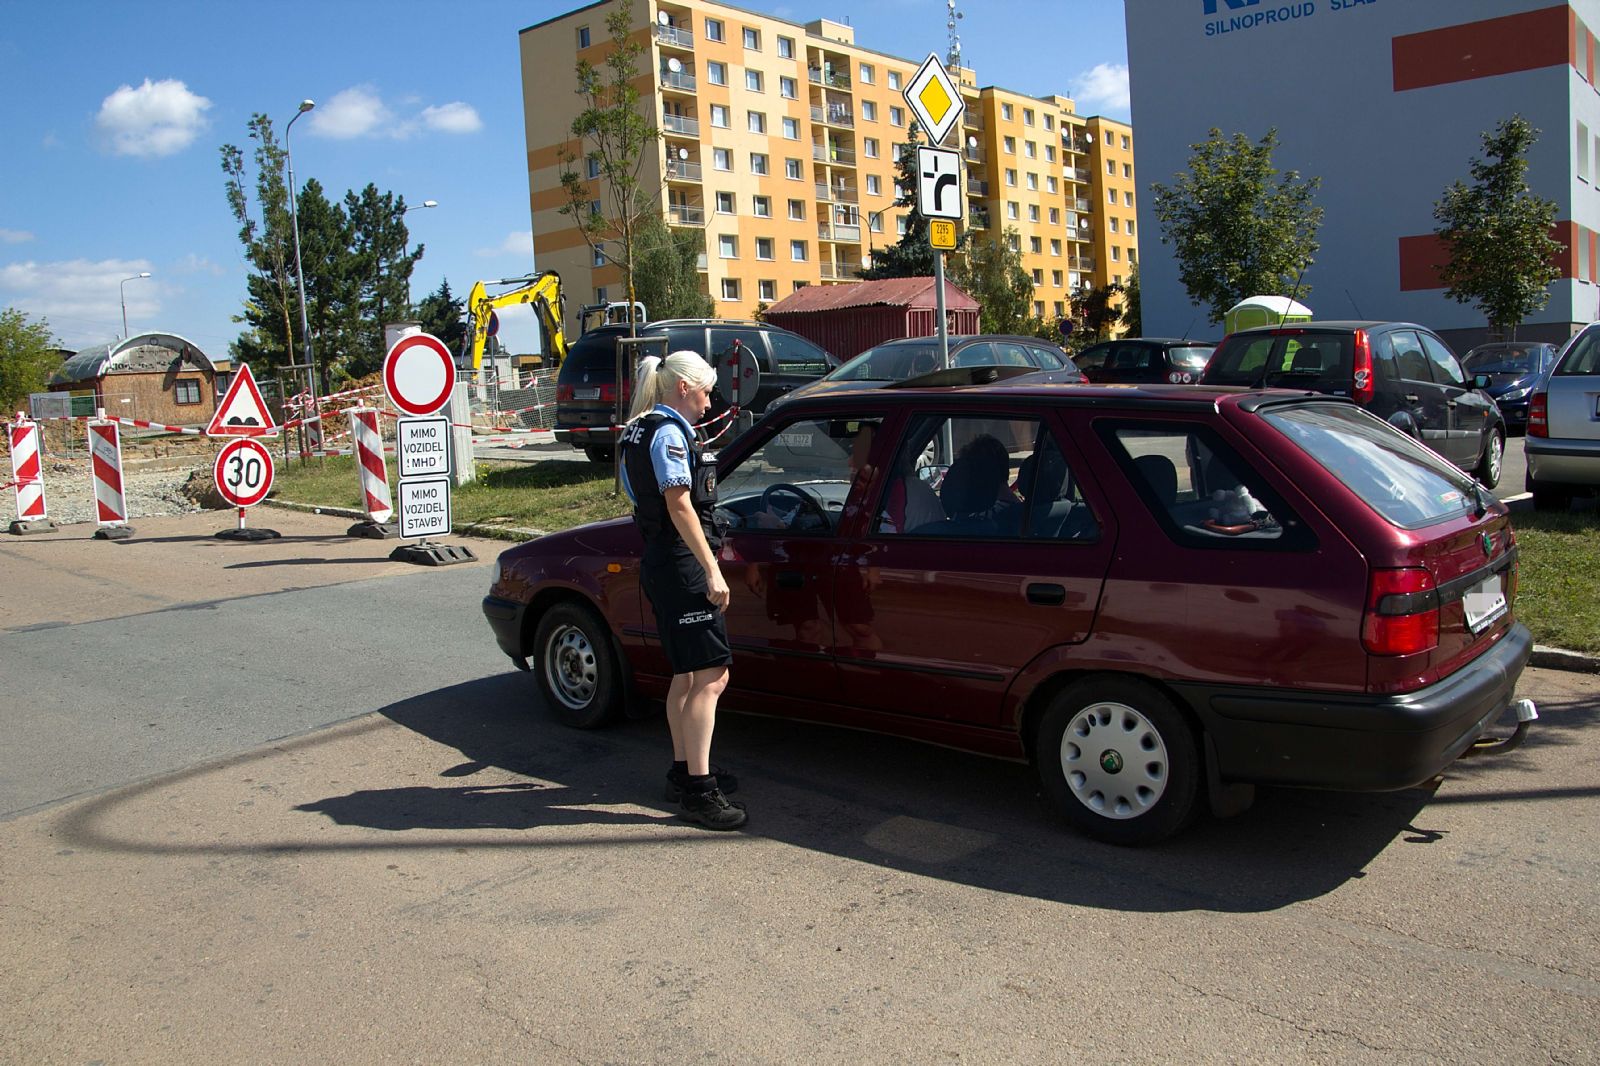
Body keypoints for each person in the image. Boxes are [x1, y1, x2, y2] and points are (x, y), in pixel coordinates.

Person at [619, 352, 746, 830]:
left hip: (661, 561)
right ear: (683, 389)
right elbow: (680, 504)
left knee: (688, 677)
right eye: (706, 392)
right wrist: (711, 568)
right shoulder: (669, 432)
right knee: (713, 678)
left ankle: (684, 771)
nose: (708, 402)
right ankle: (700, 790)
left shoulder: (640, 426)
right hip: (682, 566)